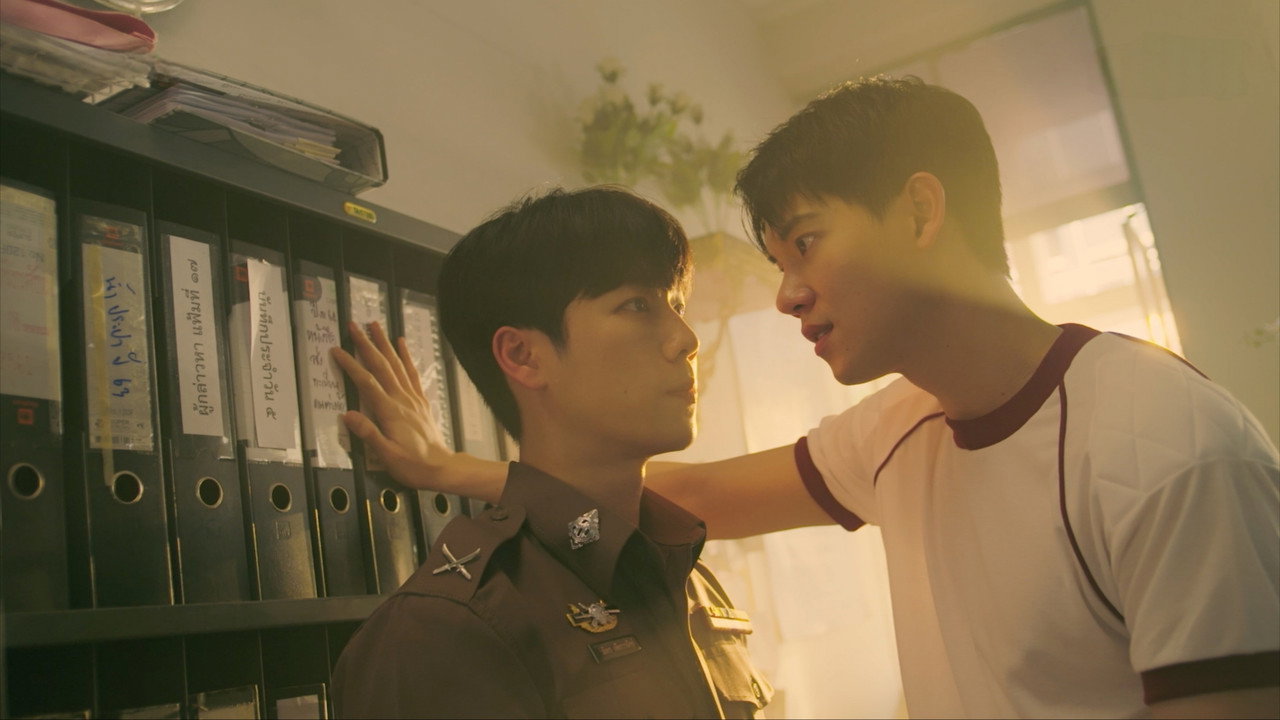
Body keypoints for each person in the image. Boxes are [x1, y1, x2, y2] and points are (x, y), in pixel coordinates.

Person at [336, 77, 1279, 718]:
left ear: (920, 210)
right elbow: (678, 497)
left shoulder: (1165, 448)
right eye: (779, 259)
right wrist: (448, 468)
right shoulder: (903, 425)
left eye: (806, 243)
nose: (786, 294)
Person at [329, 187, 773, 719]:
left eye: (676, 305)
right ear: (524, 356)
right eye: (636, 305)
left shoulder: (688, 577)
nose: (686, 338)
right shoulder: (443, 630)